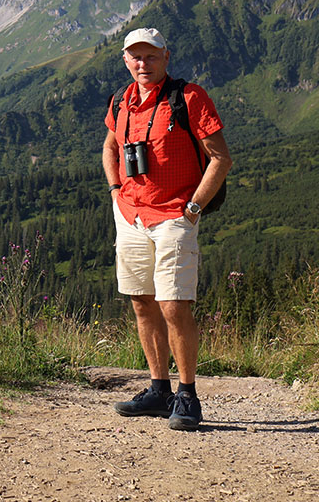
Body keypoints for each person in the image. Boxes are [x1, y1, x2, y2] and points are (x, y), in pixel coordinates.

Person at [101, 27, 232, 431]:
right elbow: (109, 146)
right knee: (142, 302)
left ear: (166, 57)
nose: (143, 64)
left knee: (174, 305)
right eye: (135, 57)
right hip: (131, 215)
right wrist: (115, 190)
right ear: (126, 60)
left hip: (174, 215)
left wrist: (193, 208)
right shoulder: (121, 101)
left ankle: (188, 395)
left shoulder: (189, 98)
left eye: (151, 56)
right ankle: (159, 391)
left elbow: (221, 158)